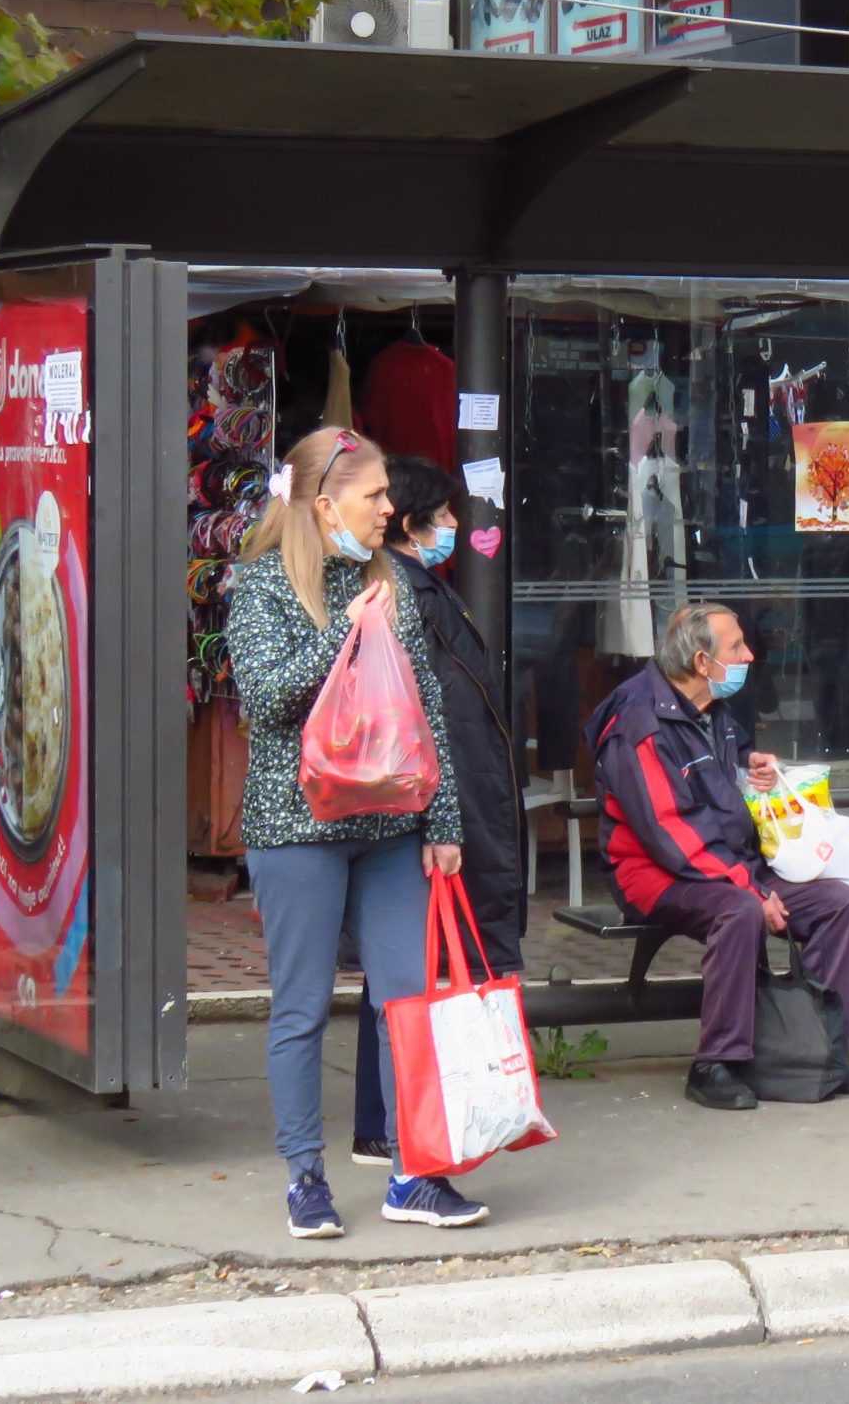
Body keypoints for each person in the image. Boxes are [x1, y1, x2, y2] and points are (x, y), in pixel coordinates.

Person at [228, 426, 485, 1240]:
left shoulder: (391, 585)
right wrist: (346, 629)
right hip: (295, 826)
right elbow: (266, 699)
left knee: (406, 1003)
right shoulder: (260, 585)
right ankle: (305, 1177)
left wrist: (442, 823)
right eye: (374, 495)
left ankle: (415, 1174)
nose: (388, 509)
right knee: (302, 1007)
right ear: (320, 502)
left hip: (391, 825)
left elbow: (425, 710)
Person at [589, 603, 849, 1112]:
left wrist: (750, 765)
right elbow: (670, 835)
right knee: (738, 912)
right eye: (736, 646)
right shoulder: (639, 723)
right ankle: (716, 1062)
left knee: (837, 902)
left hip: (724, 861)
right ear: (702, 661)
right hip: (651, 872)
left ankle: (820, 1051)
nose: (749, 653)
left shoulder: (708, 706)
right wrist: (752, 888)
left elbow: (728, 761)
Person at [346, 458, 528, 1169]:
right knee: (410, 973)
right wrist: (441, 820)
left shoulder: (418, 588)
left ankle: (388, 1123)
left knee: (404, 971)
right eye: (446, 515)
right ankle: (397, 1124)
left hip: (441, 801)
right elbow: (426, 717)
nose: (455, 527)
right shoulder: (405, 594)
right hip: (433, 806)